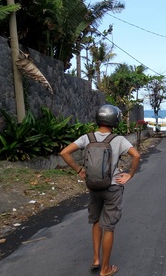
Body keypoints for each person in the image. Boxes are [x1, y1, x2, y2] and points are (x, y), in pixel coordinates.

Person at [60, 104, 140, 276]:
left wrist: (79, 170)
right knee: (108, 227)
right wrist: (129, 175)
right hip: (112, 187)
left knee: (96, 221)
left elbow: (64, 153)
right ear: (115, 120)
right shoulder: (118, 140)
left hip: (93, 185)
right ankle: (105, 269)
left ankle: (96, 259)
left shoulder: (87, 137)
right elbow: (136, 155)